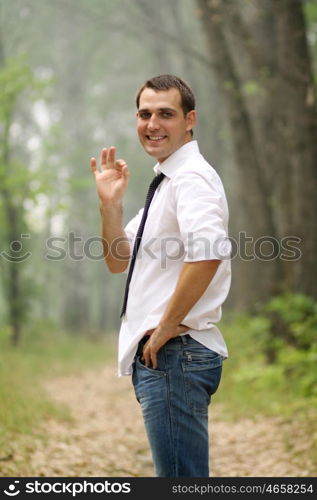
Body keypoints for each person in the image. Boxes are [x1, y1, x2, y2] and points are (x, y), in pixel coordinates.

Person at [90, 75, 231, 477]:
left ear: (190, 120)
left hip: (174, 353)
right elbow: (119, 260)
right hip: (169, 355)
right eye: (145, 113)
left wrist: (165, 327)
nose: (152, 123)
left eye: (165, 114)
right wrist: (110, 206)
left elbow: (208, 255)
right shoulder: (168, 182)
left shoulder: (190, 179)